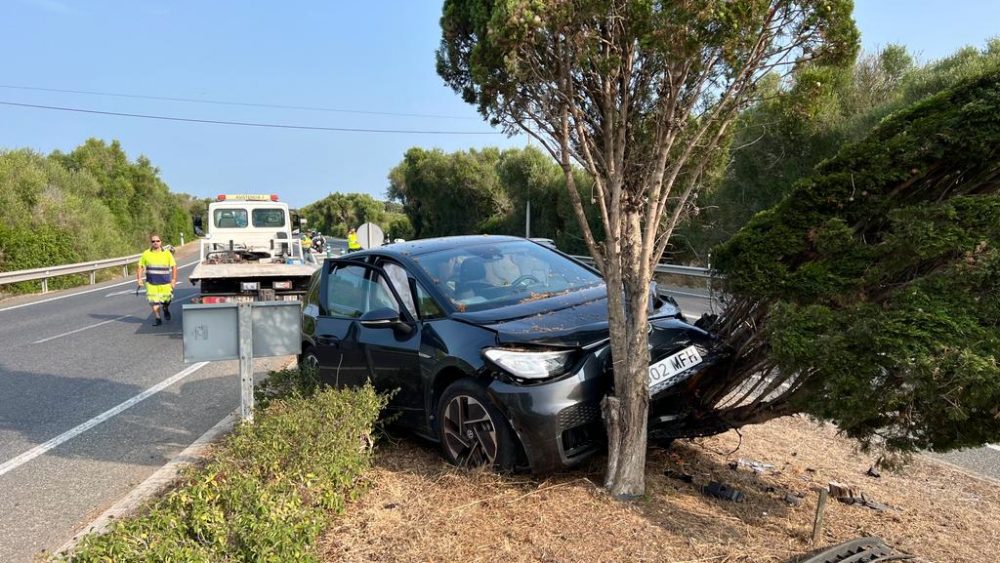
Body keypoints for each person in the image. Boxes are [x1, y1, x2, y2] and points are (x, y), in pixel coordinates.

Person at [136, 234, 177, 326]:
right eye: (153, 241)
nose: (155, 243)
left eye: (157, 241)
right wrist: (139, 279)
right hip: (151, 283)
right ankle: (158, 318)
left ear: (161, 242)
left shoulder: (167, 253)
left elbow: (174, 266)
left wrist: (174, 279)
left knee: (167, 300)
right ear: (151, 243)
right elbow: (140, 266)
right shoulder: (146, 254)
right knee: (154, 302)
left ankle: (165, 308)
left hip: (165, 283)